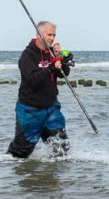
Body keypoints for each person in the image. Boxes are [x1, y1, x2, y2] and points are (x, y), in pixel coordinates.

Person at [7, 21, 71, 158]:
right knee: (21, 151)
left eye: (54, 35)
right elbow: (33, 80)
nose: (52, 38)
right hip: (30, 110)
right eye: (49, 34)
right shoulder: (27, 56)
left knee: (62, 148)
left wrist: (63, 61)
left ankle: (52, 176)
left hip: (52, 108)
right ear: (38, 34)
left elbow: (62, 74)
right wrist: (51, 68)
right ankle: (9, 172)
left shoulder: (52, 53)